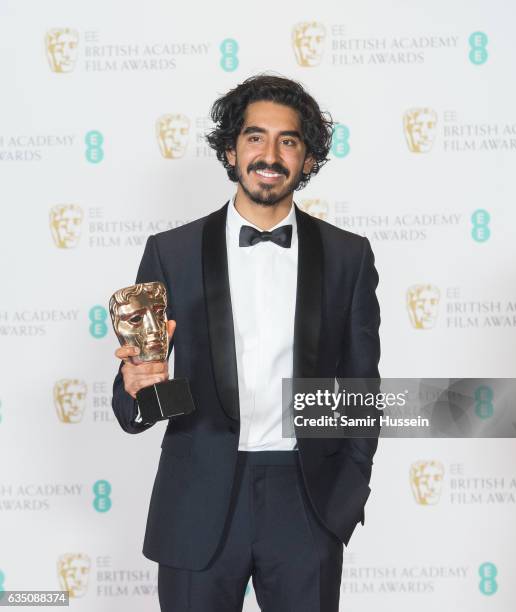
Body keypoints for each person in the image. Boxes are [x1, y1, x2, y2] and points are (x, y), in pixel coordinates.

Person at [112, 74, 381, 612]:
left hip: (305, 502)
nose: (270, 154)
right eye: (255, 137)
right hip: (198, 499)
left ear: (308, 160)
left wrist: (344, 497)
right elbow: (131, 405)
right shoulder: (172, 252)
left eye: (289, 141)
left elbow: (361, 390)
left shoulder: (349, 257)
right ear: (231, 151)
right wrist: (138, 388)